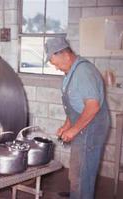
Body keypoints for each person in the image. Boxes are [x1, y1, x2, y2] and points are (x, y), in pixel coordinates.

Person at [44, 37, 110, 199]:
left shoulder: (83, 72)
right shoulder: (70, 72)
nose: (57, 68)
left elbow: (92, 106)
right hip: (83, 127)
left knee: (81, 175)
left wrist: (73, 130)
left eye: (56, 63)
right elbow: (75, 105)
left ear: (65, 55)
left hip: (91, 129)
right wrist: (67, 125)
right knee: (77, 172)